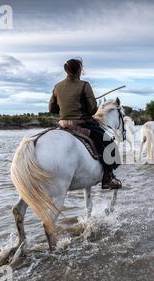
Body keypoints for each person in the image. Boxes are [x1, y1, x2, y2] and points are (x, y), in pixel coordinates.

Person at [48, 58, 122, 189]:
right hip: (81, 124)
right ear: (79, 70)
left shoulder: (57, 87)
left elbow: (52, 109)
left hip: (63, 124)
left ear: (66, 70)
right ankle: (107, 178)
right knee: (109, 144)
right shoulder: (84, 85)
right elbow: (93, 109)